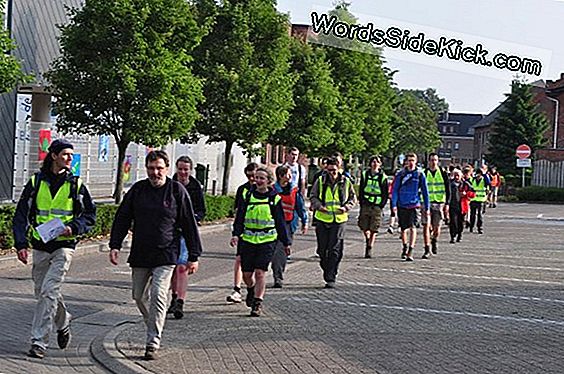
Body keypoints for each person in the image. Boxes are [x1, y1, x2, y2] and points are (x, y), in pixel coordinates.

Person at [109, 150, 202, 360]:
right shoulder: (138, 190)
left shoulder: (176, 191)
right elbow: (123, 217)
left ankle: (152, 342)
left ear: (167, 169)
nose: (155, 172)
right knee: (138, 296)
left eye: (159, 168)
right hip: (141, 252)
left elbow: (189, 223)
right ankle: (154, 321)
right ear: (146, 169)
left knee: (159, 295)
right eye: (151, 168)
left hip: (166, 253)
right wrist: (115, 244)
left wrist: (193, 255)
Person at [13, 139, 96, 359]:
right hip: (40, 246)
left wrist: (73, 227)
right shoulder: (36, 182)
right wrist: (21, 244)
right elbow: (21, 215)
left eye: (71, 155)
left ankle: (39, 341)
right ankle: (63, 320)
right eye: (66, 154)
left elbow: (90, 216)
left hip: (64, 247)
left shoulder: (76, 185)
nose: (70, 158)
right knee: (43, 293)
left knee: (49, 291)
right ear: (54, 156)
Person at [230, 166, 291, 316]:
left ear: (269, 181)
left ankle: (257, 302)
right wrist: (236, 234)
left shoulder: (274, 199)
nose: (257, 181)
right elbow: (240, 218)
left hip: (267, 240)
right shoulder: (248, 196)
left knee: (260, 273)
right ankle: (251, 289)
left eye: (261, 178)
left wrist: (286, 242)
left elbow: (280, 222)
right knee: (246, 274)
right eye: (256, 178)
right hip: (248, 240)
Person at [167, 156, 206, 319]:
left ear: (190, 170)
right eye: (180, 169)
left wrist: (194, 218)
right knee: (172, 268)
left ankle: (180, 302)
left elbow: (202, 210)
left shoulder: (195, 186)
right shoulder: (169, 185)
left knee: (182, 267)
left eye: (186, 169)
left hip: (186, 232)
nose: (183, 172)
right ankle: (174, 296)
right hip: (171, 232)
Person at [310, 157, 356, 288]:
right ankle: (327, 269)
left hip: (339, 220)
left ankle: (331, 276)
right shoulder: (320, 181)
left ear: (339, 168)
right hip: (323, 219)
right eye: (329, 170)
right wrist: (319, 206)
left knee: (335, 249)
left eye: (334, 170)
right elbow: (313, 196)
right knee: (322, 250)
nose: (332, 173)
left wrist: (346, 207)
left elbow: (353, 198)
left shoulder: (346, 182)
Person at [226, 162, 258, 304]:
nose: (252, 179)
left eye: (254, 176)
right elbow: (238, 212)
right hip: (244, 231)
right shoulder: (242, 190)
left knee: (256, 265)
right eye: (249, 176)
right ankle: (237, 289)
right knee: (239, 259)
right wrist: (235, 233)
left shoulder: (265, 191)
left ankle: (254, 289)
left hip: (260, 234)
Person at [271, 165, 308, 288]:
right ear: (281, 176)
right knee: (272, 251)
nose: (291, 176)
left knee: (281, 252)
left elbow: (300, 206)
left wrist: (304, 221)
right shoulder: (272, 190)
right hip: (272, 225)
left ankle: (278, 277)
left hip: (288, 225)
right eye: (288, 174)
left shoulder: (294, 190)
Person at [391, 153, 430, 262]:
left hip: (414, 204)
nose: (411, 162)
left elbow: (425, 191)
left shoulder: (419, 174)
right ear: (406, 162)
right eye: (409, 160)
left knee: (413, 227)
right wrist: (393, 204)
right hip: (402, 204)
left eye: (413, 160)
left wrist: (427, 207)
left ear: (416, 161)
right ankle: (405, 246)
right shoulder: (401, 174)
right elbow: (395, 190)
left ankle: (411, 250)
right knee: (403, 228)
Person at [358, 155, 388, 258]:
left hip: (376, 205)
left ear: (380, 164)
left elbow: (385, 193)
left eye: (377, 162)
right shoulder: (365, 175)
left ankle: (369, 247)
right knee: (364, 226)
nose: (375, 164)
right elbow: (361, 189)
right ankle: (367, 239)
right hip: (366, 204)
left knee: (374, 228)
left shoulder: (383, 177)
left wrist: (381, 205)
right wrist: (361, 202)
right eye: (373, 162)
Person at [422, 153, 450, 259]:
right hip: (426, 203)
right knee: (426, 226)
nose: (433, 162)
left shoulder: (442, 173)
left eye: (435, 160)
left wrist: (447, 203)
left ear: (438, 161)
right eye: (432, 160)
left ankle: (434, 239)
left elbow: (448, 189)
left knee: (437, 227)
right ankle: (427, 248)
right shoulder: (424, 173)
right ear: (429, 161)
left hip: (439, 203)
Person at [448, 169, 475, 243]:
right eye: (455, 175)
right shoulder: (450, 184)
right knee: (453, 222)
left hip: (462, 206)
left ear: (461, 176)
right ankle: (452, 236)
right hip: (453, 205)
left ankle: (459, 235)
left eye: (458, 175)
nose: (456, 177)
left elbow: (473, 193)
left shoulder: (466, 184)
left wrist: (465, 194)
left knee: (460, 222)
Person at [469, 168, 488, 234]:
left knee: (480, 215)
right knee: (472, 215)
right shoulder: (473, 179)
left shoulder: (484, 180)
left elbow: (488, 182)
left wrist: (485, 174)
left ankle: (480, 228)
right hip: (473, 199)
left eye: (479, 174)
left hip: (481, 200)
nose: (478, 175)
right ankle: (471, 226)